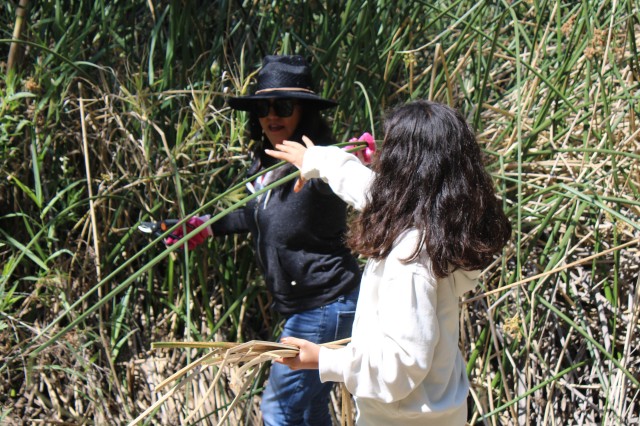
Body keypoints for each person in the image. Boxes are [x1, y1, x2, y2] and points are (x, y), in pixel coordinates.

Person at [266, 100, 512, 425]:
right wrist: (315, 159)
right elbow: (366, 189)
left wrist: (322, 359)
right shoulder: (445, 231)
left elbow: (399, 367)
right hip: (439, 412)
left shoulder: (410, 257)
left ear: (403, 165)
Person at [167, 55, 362, 425]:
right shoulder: (267, 162)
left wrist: (337, 160)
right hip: (309, 307)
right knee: (307, 410)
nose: (271, 115)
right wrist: (200, 226)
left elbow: (353, 184)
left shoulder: (324, 163)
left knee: (280, 410)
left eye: (283, 106)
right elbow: (256, 214)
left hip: (323, 306)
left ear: (303, 111)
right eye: (262, 107)